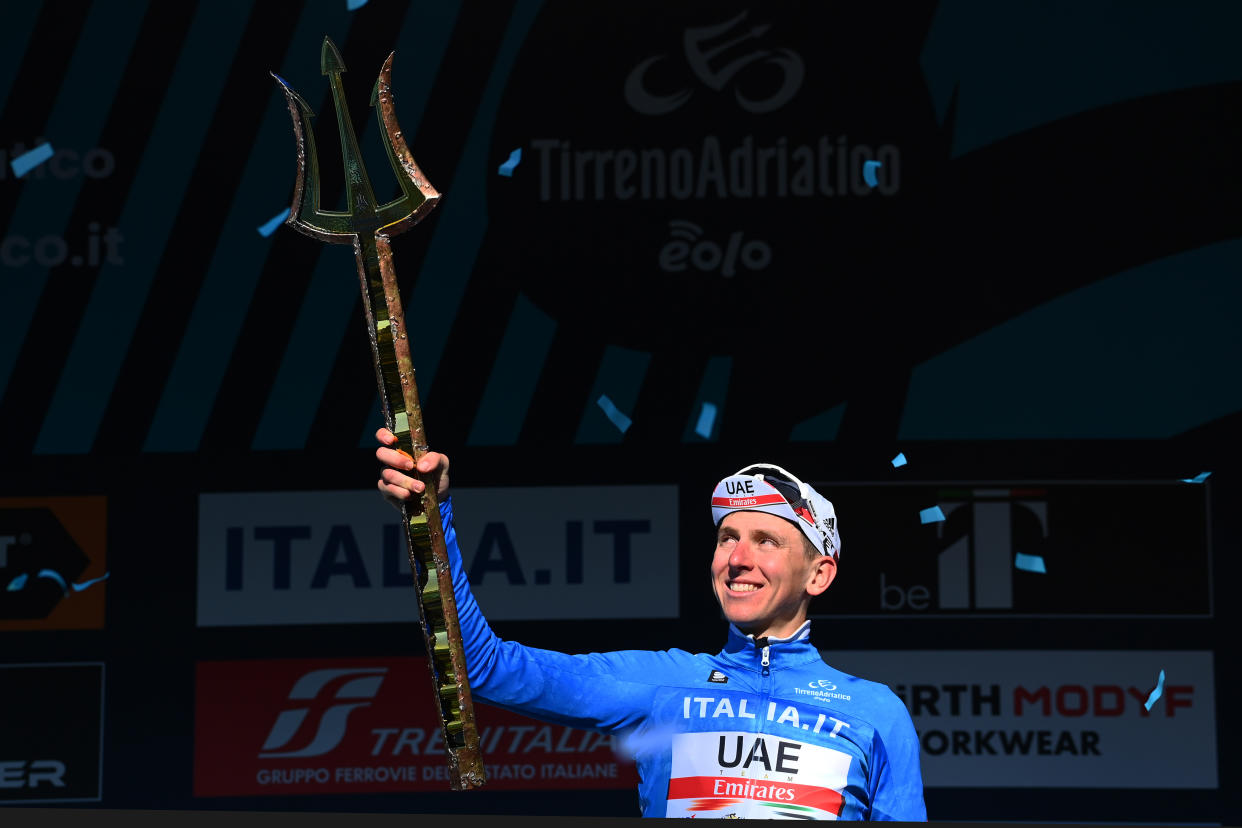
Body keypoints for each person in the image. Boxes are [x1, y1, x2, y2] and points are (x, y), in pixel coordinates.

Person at [376, 428, 925, 820]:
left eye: (767, 541)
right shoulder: (659, 684)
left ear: (819, 575)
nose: (737, 558)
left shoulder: (876, 713)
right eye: (727, 538)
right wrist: (434, 517)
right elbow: (483, 666)